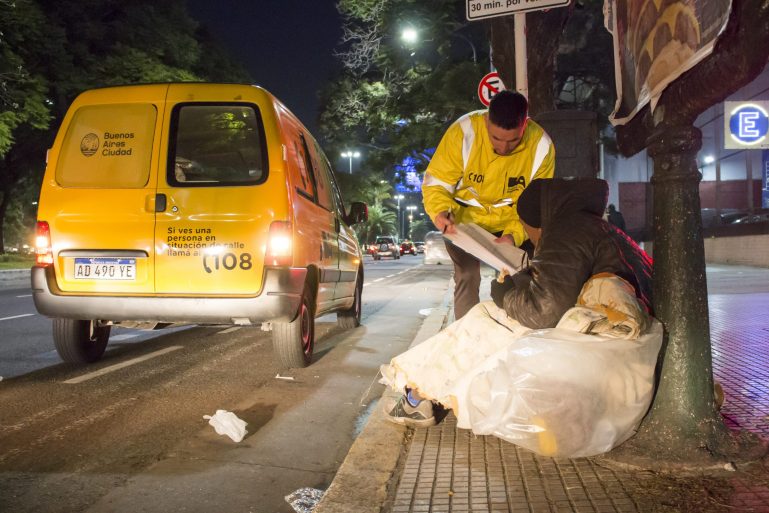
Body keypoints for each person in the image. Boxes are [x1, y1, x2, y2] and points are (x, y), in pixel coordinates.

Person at [385, 177, 654, 427]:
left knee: (486, 318)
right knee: (495, 317)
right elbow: (565, 287)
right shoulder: (595, 225)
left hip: (604, 343)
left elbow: (542, 313)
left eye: (527, 231)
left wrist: (505, 296)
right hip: (617, 335)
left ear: (538, 223)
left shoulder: (565, 230)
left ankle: (417, 397)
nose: (532, 239)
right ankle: (421, 395)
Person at [422, 90, 556, 320]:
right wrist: (440, 213)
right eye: (496, 139)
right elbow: (437, 183)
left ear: (526, 125)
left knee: (520, 276)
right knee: (467, 275)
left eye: (513, 140)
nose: (503, 148)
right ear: (486, 121)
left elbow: (537, 204)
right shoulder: (463, 133)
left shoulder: (542, 146)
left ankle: (513, 333)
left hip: (511, 224)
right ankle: (466, 335)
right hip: (463, 223)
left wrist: (514, 235)